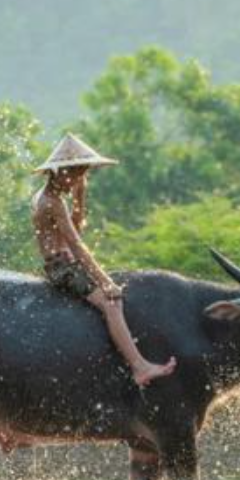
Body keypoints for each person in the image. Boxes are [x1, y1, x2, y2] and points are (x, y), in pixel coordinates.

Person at [32, 133, 177, 387]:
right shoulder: (52, 202)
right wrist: (106, 282)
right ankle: (140, 366)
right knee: (112, 303)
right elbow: (77, 245)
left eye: (83, 175)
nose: (78, 179)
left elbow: (77, 228)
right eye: (76, 174)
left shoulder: (48, 196)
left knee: (112, 293)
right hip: (62, 269)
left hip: (63, 263)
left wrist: (80, 194)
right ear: (61, 172)